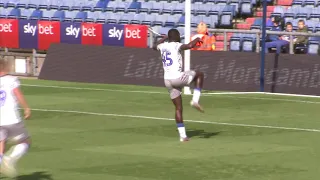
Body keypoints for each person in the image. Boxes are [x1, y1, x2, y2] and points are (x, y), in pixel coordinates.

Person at [153, 29, 205, 142]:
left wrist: (164, 38)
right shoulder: (176, 45)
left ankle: (183, 136)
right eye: (178, 34)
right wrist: (198, 38)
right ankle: (195, 100)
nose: (179, 36)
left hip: (167, 80)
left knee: (178, 108)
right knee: (199, 75)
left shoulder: (162, 46)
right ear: (175, 36)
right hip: (177, 77)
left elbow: (154, 46)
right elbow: (190, 45)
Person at [0, 58, 31, 178]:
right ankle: (10, 158)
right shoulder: (11, 80)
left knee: (1, 144)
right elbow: (18, 94)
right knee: (25, 141)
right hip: (12, 118)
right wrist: (26, 108)